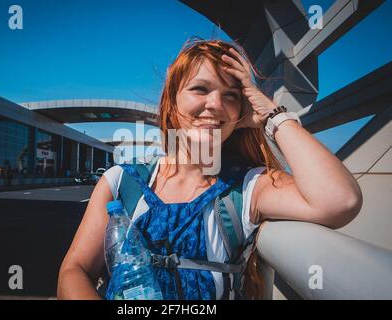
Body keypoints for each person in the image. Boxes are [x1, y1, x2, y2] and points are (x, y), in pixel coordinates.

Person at [57, 39, 362, 300]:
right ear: (172, 103)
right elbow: (75, 271)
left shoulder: (248, 187)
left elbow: (340, 200)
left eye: (231, 95)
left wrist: (272, 115)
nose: (215, 104)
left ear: (241, 110)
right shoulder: (122, 182)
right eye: (200, 89)